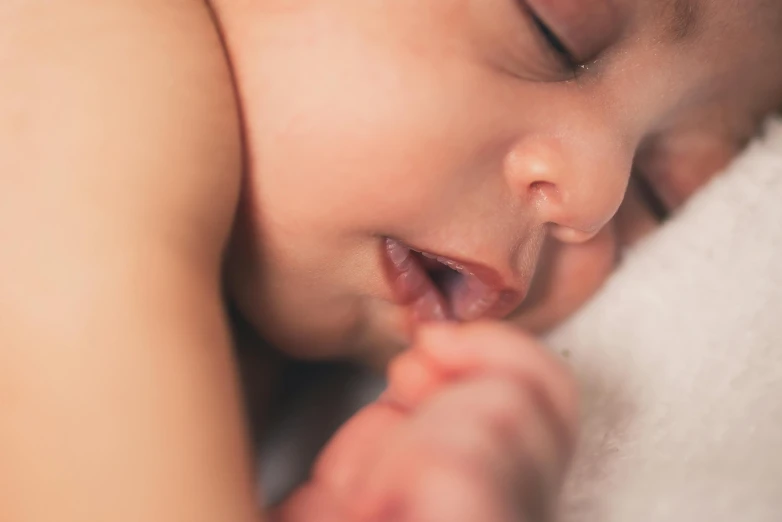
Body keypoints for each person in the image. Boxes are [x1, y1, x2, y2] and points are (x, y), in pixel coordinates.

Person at [1, 1, 780, 521]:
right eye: (555, 31)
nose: (595, 198)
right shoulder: (82, 44)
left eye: (659, 192)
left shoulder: (301, 397)